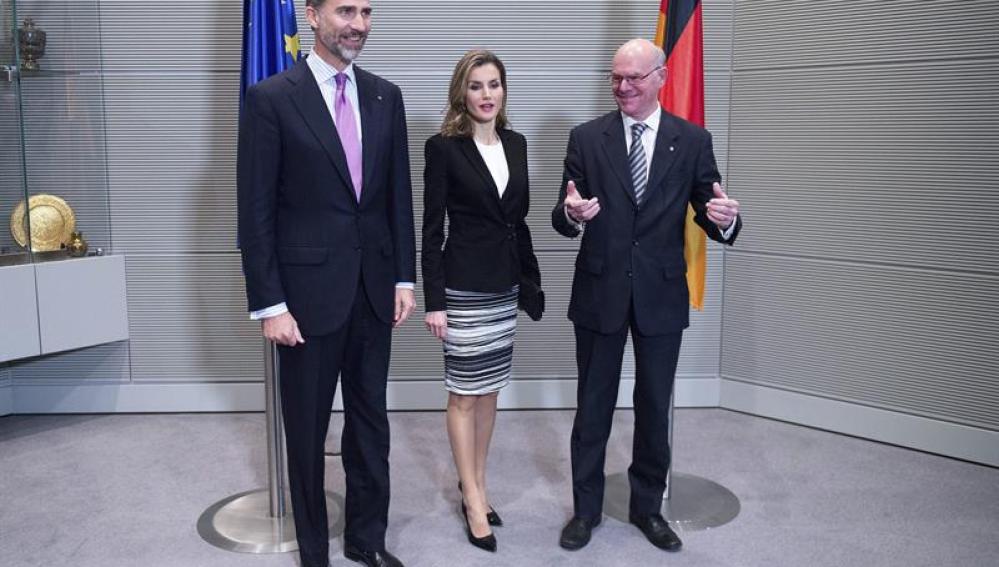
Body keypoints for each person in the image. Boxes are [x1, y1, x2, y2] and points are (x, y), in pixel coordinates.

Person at [237, 0, 415, 565]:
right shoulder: (271, 99)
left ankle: (367, 540)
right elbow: (255, 212)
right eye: (345, 10)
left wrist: (404, 278)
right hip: (306, 302)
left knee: (370, 428)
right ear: (311, 15)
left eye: (367, 11)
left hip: (373, 292)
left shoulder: (388, 96)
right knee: (308, 435)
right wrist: (270, 304)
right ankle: (314, 551)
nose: (358, 23)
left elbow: (396, 200)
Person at [552, 38, 742, 553]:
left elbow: (711, 206)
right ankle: (585, 512)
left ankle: (646, 508)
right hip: (599, 290)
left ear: (661, 77)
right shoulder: (587, 138)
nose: (623, 87)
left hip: (660, 293)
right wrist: (571, 214)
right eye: (616, 77)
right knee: (593, 407)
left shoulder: (693, 140)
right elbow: (563, 211)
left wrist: (727, 221)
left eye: (634, 77)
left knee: (654, 406)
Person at [421, 50, 542, 554]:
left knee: (490, 392)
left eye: (495, 84)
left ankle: (478, 482)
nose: (487, 94)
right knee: (464, 395)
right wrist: (434, 301)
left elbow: (516, 218)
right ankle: (471, 497)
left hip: (503, 286)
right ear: (461, 92)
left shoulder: (516, 143)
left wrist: (527, 281)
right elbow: (431, 229)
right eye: (477, 86)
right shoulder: (444, 148)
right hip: (463, 288)